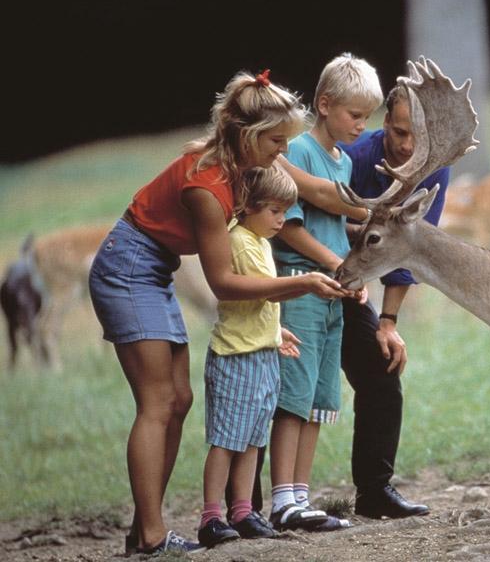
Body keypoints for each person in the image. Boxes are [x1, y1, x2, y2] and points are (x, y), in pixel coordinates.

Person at [88, 69, 354, 555]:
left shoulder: (239, 168)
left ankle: (144, 528)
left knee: (179, 399)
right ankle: (149, 535)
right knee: (157, 402)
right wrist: (300, 284)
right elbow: (224, 286)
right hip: (127, 269)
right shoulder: (207, 186)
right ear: (249, 135)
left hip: (154, 270)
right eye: (276, 141)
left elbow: (308, 192)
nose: (281, 150)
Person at [266, 53, 382, 531]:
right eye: (355, 115)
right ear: (325, 103)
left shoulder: (342, 161)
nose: (361, 126)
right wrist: (336, 264)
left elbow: (339, 230)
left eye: (366, 117)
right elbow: (289, 228)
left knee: (317, 396)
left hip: (332, 292)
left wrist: (352, 277)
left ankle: (301, 495)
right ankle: (280, 499)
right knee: (294, 394)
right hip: (301, 287)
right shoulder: (296, 153)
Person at [339, 83, 449, 518]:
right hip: (306, 276)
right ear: (385, 122)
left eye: (416, 137)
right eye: (400, 132)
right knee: (283, 388)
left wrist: (388, 322)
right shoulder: (354, 157)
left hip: (354, 288)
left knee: (382, 372)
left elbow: (409, 249)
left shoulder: (434, 169)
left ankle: (374, 492)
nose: (407, 146)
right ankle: (246, 505)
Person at [196, 166, 304, 548]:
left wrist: (275, 334)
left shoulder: (260, 241)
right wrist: (305, 282)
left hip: (261, 354)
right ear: (247, 206)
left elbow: (258, 305)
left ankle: (243, 511)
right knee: (228, 439)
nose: (282, 220)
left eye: (285, 211)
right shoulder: (240, 239)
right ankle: (212, 516)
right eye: (274, 210)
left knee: (254, 439)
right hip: (236, 356)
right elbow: (264, 290)